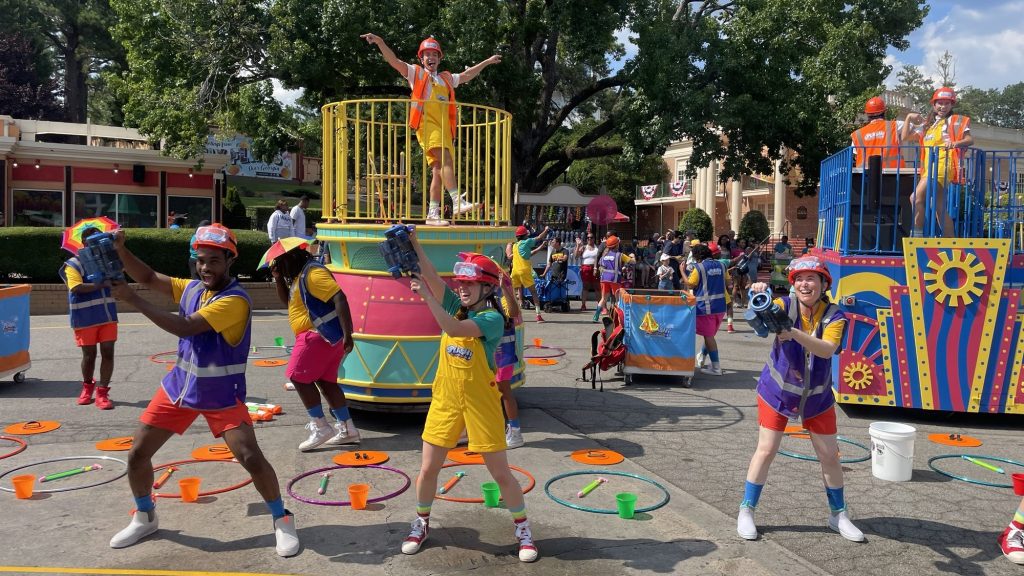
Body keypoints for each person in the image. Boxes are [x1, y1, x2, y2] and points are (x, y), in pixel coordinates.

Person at [106, 224, 300, 557]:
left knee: (251, 458)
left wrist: (132, 298)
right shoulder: (194, 288)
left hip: (220, 395)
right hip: (179, 389)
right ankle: (145, 516)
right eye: (200, 260)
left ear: (229, 261)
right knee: (137, 454)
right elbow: (150, 277)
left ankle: (282, 519)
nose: (205, 267)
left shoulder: (235, 301)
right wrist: (121, 250)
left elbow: (184, 327)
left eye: (214, 260)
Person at [399, 236, 538, 562]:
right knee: (428, 468)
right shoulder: (456, 304)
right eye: (460, 282)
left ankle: (523, 529)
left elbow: (454, 329)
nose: (461, 288)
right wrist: (416, 245)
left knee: (500, 473)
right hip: (446, 400)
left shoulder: (490, 319)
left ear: (487, 288)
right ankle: (421, 521)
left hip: (481, 402)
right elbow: (432, 275)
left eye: (469, 283)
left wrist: (426, 298)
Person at [736, 255, 863, 544]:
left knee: (830, 455)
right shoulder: (784, 305)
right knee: (766, 450)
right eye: (800, 279)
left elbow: (827, 349)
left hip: (817, 399)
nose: (806, 284)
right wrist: (759, 297)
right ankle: (746, 509)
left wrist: (791, 332)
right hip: (777, 393)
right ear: (793, 284)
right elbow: (759, 324)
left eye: (812, 279)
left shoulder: (836, 315)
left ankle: (838, 515)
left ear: (823, 283)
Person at [362, 33, 501, 226]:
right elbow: (393, 61)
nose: (431, 58)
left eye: (434, 54)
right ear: (421, 58)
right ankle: (456, 201)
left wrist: (486, 61)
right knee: (446, 160)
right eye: (427, 54)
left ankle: (432, 214)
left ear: (439, 58)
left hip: (444, 129)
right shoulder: (416, 73)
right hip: (426, 126)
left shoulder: (446, 78)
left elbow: (467, 75)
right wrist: (380, 42)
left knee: (437, 170)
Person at [270, 243, 360, 451]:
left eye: (280, 265)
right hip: (326, 338)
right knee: (326, 382)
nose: (280, 270)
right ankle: (348, 429)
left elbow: (340, 298)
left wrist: (348, 334)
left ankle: (320, 426)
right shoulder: (299, 276)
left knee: (297, 376)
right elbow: (288, 302)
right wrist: (277, 278)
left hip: (316, 335)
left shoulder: (312, 274)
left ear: (289, 259)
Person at [58, 226, 117, 410]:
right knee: (89, 356)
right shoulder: (73, 264)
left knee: (108, 352)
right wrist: (100, 284)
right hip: (84, 317)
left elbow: (117, 281)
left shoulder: (107, 262)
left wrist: (115, 276)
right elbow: (76, 287)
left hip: (107, 315)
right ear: (83, 243)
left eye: (99, 240)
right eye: (92, 241)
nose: (96, 244)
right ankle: (87, 387)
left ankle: (103, 392)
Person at [903, 87, 973, 237]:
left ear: (952, 105)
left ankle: (916, 236)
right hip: (929, 167)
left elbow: (969, 139)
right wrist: (908, 117)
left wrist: (955, 143)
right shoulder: (929, 125)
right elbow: (905, 137)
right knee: (939, 207)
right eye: (940, 103)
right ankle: (951, 242)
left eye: (947, 103)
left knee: (915, 198)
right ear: (934, 105)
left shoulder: (954, 121)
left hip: (942, 165)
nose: (943, 106)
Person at [688, 244, 727, 375]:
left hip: (705, 308)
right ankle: (702, 357)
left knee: (709, 336)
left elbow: (690, 284)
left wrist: (682, 271)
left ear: (697, 256)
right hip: (721, 306)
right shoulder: (722, 265)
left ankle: (716, 367)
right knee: (709, 334)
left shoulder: (698, 268)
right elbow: (728, 281)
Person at [850, 96, 910, 169]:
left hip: (864, 177)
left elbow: (856, 155)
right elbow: (919, 128)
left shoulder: (857, 134)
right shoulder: (896, 125)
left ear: (867, 114)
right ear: (884, 112)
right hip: (893, 175)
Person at [509, 225, 549, 322]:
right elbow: (539, 237)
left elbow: (530, 254)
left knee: (512, 293)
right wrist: (546, 230)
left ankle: (512, 315)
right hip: (524, 270)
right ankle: (538, 315)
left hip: (515, 272)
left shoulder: (515, 246)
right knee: (534, 292)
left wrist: (540, 248)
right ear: (525, 235)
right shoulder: (526, 242)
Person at [596, 235, 632, 321]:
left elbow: (600, 265)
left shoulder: (604, 255)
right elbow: (632, 261)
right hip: (614, 279)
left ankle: (596, 316)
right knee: (618, 299)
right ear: (617, 245)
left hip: (604, 279)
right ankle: (618, 318)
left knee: (603, 299)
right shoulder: (620, 255)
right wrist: (632, 256)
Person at [575, 233, 601, 312]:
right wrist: (578, 246)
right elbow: (576, 256)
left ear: (594, 239)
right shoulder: (583, 247)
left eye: (591, 237)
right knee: (585, 287)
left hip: (595, 268)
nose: (589, 239)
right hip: (585, 268)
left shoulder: (598, 248)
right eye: (588, 238)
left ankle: (600, 305)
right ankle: (583, 304)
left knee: (597, 287)